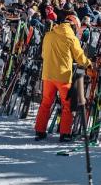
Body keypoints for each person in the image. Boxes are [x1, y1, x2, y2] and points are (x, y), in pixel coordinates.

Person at [35, 11, 92, 141]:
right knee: (67, 105)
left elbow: (43, 54)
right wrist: (89, 64)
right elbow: (80, 57)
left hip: (48, 75)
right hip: (63, 76)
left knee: (45, 103)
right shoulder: (71, 38)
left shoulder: (49, 35)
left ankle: (40, 131)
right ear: (73, 25)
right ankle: (65, 133)